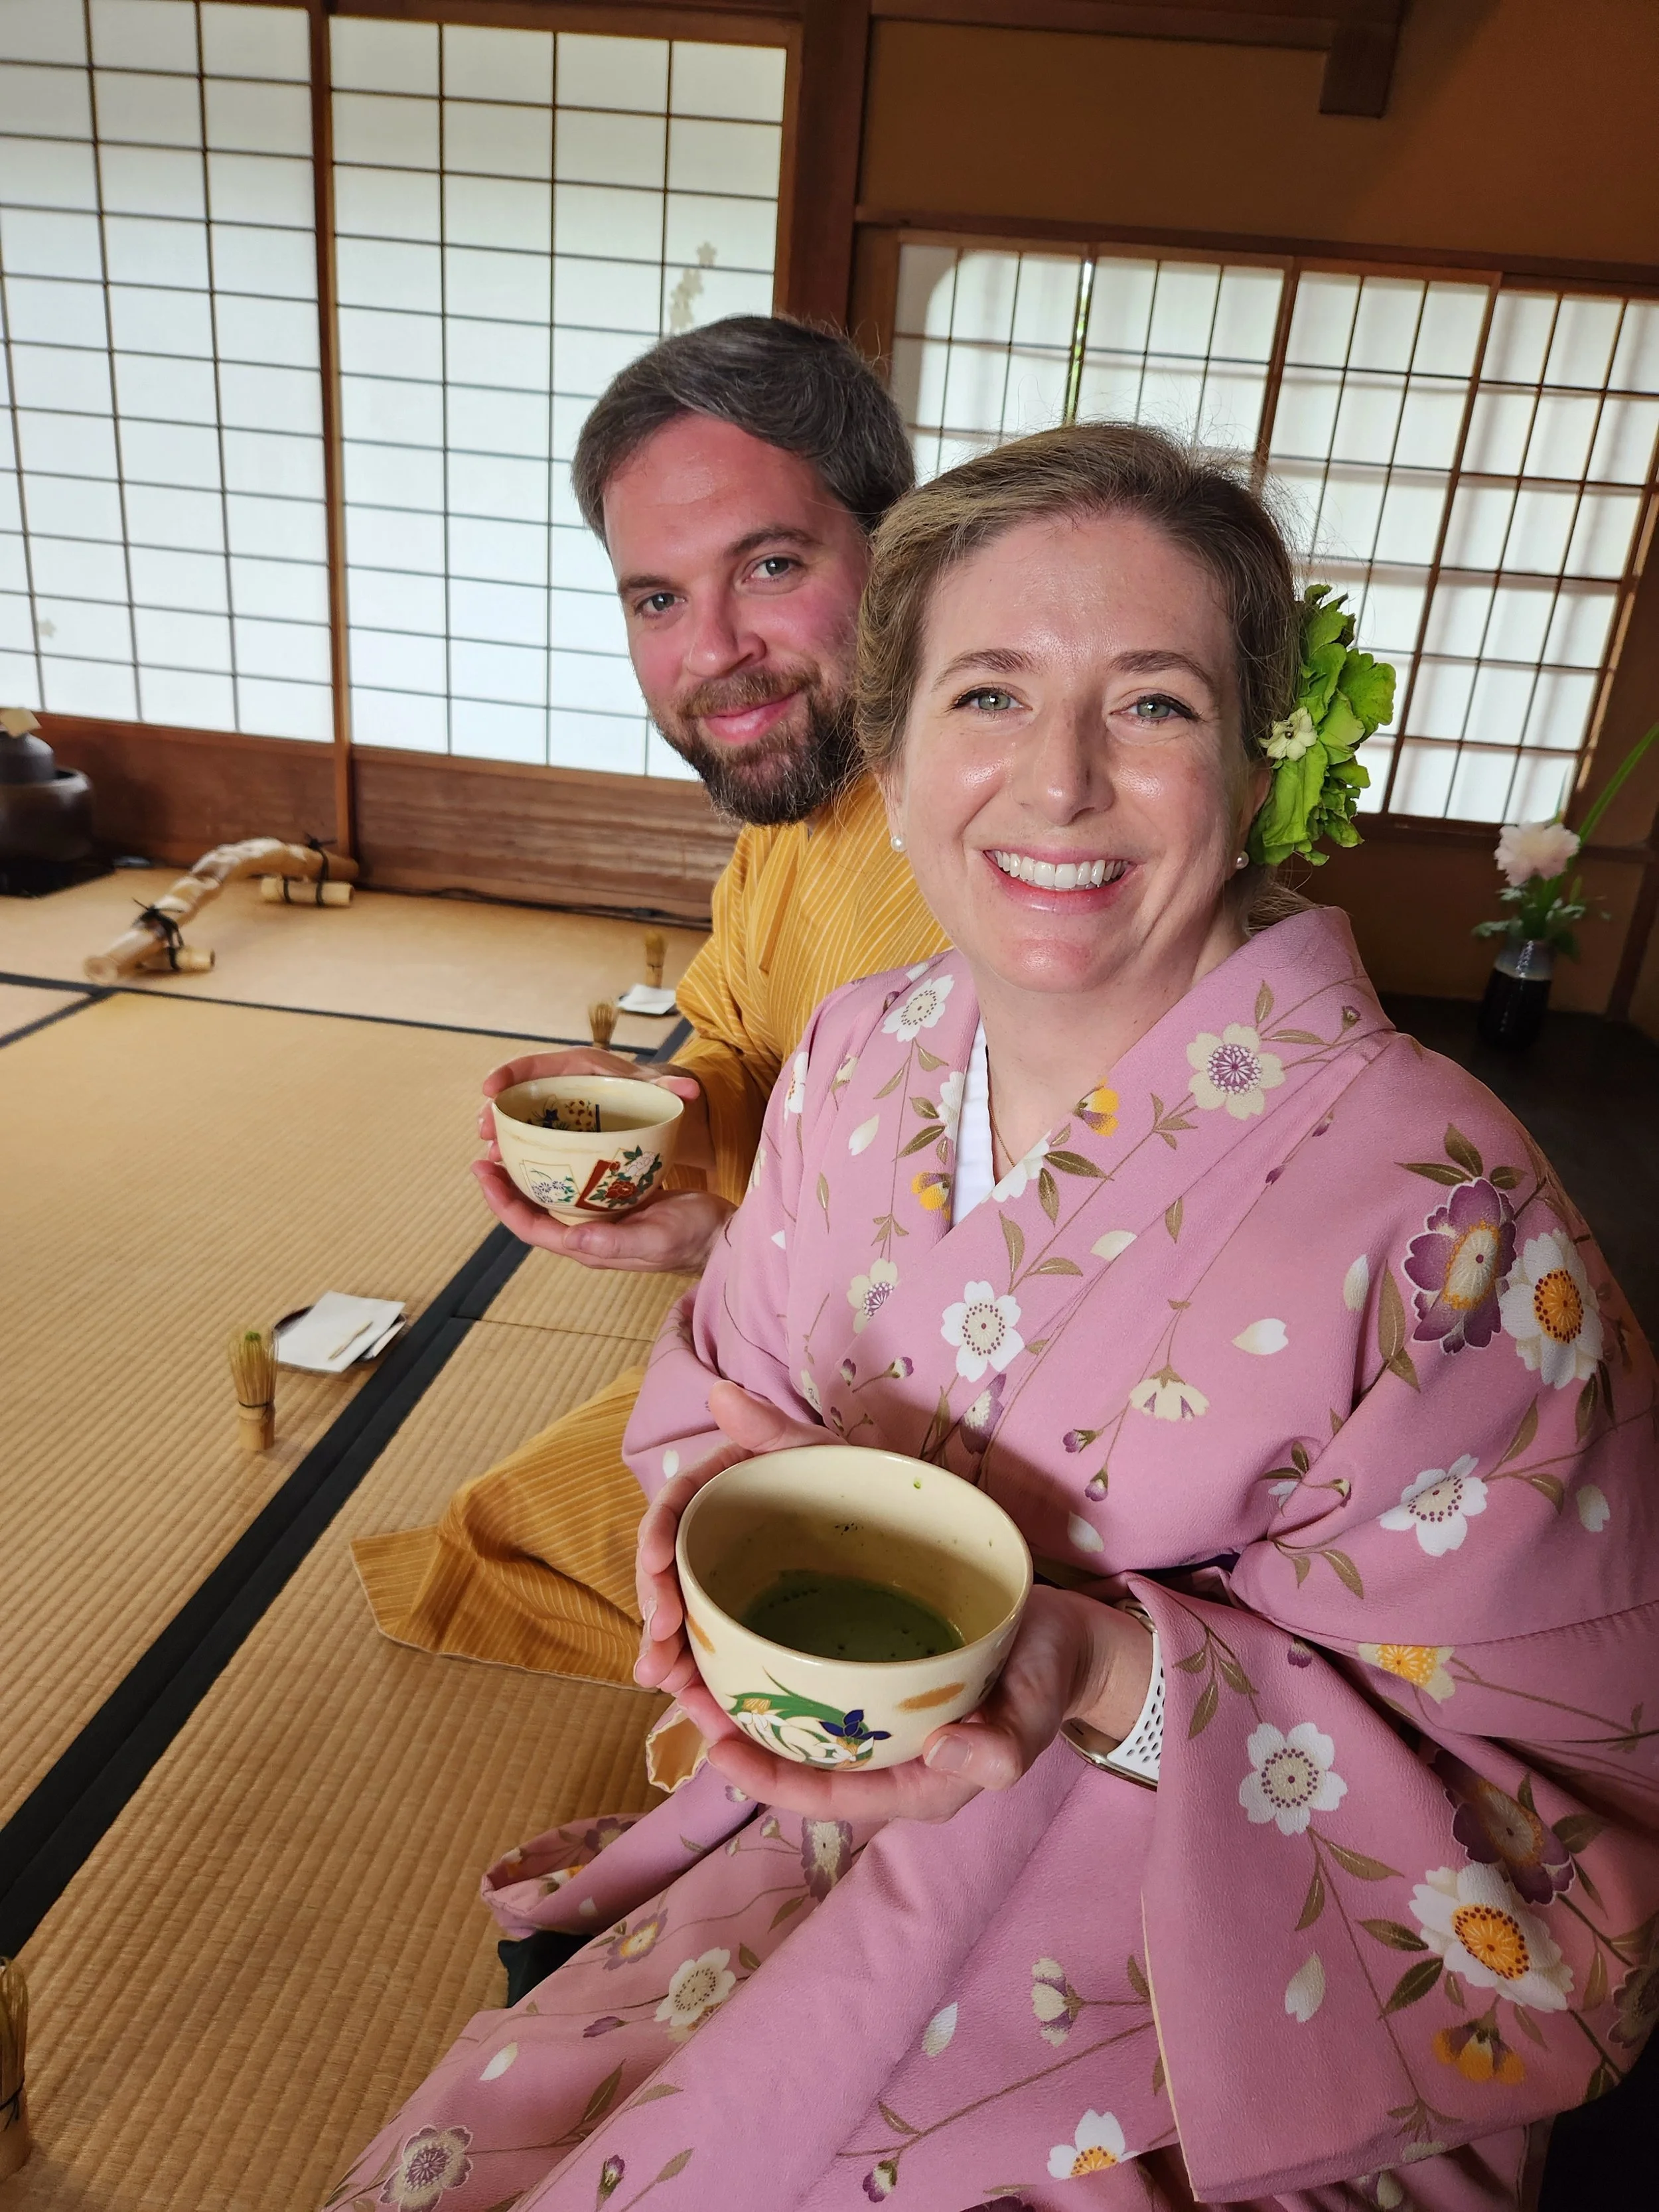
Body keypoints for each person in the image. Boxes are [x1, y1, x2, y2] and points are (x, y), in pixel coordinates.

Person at [328, 424, 1658, 2211]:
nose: (1056, 782)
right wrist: (702, 1552)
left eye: (1154, 704)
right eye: (984, 696)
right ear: (887, 748)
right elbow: (719, 1403)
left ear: (1255, 767)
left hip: (1203, 1965)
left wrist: (1095, 1664)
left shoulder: (1448, 1219)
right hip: (817, 1834)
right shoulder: (858, 1059)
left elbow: (1548, 1812)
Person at [351, 319, 948, 1682]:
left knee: (527, 1546)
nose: (712, 650)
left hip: (947, 1419)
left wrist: (720, 1246)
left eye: (771, 565)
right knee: (514, 1521)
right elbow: (739, 1040)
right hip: (791, 1327)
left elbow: (991, 1299)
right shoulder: (800, 813)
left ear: (897, 551)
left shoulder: (986, 843)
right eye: (655, 599)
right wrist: (649, 1119)